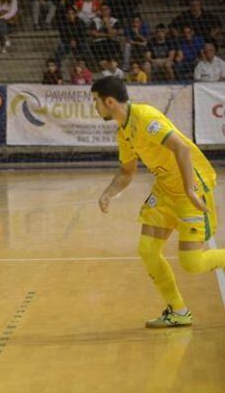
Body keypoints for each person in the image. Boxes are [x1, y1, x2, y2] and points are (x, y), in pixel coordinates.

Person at [92, 76, 225, 328]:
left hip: (191, 189)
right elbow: (127, 172)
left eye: (95, 101)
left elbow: (182, 149)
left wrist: (189, 189)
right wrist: (109, 193)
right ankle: (178, 311)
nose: (94, 107)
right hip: (165, 191)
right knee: (147, 250)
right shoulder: (124, 131)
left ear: (110, 101)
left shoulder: (145, 117)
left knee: (192, 263)